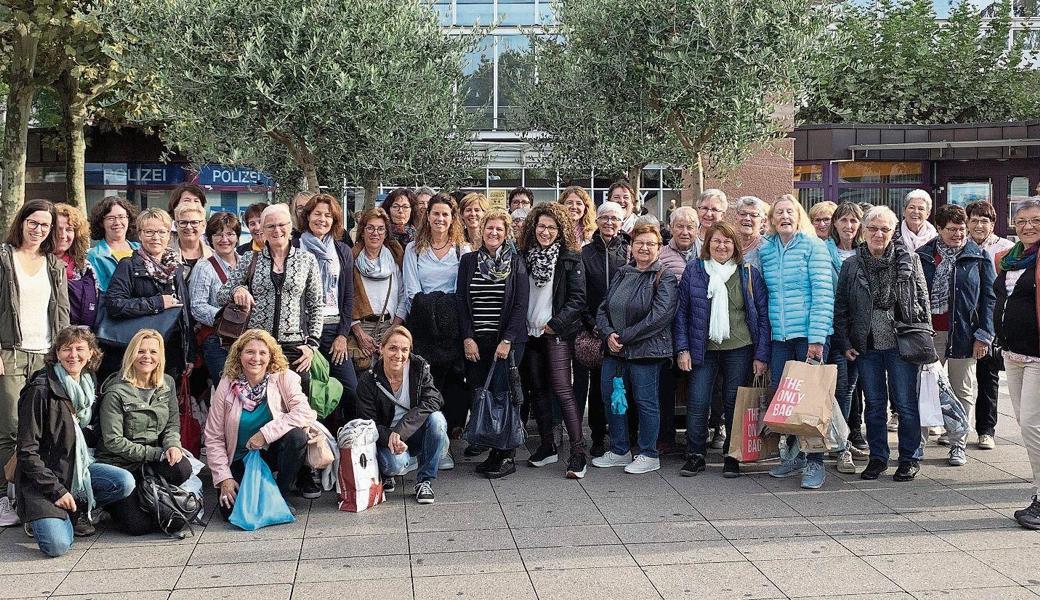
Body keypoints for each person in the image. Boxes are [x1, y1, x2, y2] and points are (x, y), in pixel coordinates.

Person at [16, 327, 135, 554]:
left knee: (124, 482)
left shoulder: (88, 385)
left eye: (80, 349)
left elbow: (83, 434)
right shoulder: (41, 389)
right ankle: (43, 516)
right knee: (56, 546)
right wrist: (57, 491)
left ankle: (77, 506)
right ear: (57, 354)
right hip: (44, 479)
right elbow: (26, 451)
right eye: (66, 349)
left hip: (77, 470)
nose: (73, 355)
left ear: (91, 353)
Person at [833, 206, 929, 482]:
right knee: (874, 404)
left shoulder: (909, 259)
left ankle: (909, 458)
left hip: (903, 344)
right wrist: (845, 341)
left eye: (884, 229)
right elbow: (841, 306)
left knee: (906, 403)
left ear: (893, 232)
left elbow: (922, 301)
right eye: (873, 228)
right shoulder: (851, 264)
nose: (878, 234)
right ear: (863, 231)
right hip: (868, 346)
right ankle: (878, 458)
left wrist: (925, 339)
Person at [674, 222, 769, 478]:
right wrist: (682, 348)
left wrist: (761, 355)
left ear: (735, 246)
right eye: (716, 240)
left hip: (740, 348)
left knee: (733, 402)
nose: (722, 245)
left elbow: (762, 316)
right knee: (698, 401)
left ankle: (731, 455)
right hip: (702, 348)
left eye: (727, 241)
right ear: (707, 244)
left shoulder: (748, 273)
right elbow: (681, 313)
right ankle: (695, 454)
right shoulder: (695, 270)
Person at [218, 203, 324, 425]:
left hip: (294, 346)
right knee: (259, 409)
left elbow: (316, 305)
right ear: (262, 231)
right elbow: (222, 294)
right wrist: (238, 289)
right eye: (271, 226)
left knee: (295, 408)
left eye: (282, 224)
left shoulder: (307, 260)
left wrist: (312, 344)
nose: (277, 230)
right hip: (258, 347)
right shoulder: (249, 259)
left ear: (291, 226)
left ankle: (296, 454)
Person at [0, 199, 71, 524]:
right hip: (11, 352)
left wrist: (64, 355)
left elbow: (62, 314)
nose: (38, 229)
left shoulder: (54, 265)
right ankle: (5, 495)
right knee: (11, 429)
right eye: (34, 222)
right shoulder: (4, 258)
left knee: (39, 429)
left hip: (45, 355)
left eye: (45, 225)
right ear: (22, 222)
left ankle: (29, 493)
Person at [758, 194, 834, 489]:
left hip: (807, 336)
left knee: (811, 402)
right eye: (779, 213)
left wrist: (817, 339)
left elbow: (823, 294)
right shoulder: (768, 250)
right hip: (780, 337)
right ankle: (793, 456)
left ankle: (815, 463)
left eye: (790, 211)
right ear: (772, 220)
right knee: (784, 399)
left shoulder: (813, 246)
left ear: (799, 215)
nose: (784, 217)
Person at [591, 222, 677, 474]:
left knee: (645, 402)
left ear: (659, 248)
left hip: (646, 353)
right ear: (631, 246)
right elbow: (603, 307)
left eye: (651, 243)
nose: (644, 248)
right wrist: (608, 333)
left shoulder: (665, 277)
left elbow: (659, 317)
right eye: (639, 243)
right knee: (613, 400)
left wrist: (624, 337)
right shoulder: (623, 272)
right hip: (615, 351)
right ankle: (619, 450)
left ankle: (649, 453)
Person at [205, 329, 316, 519]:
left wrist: (265, 434)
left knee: (297, 436)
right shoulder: (226, 384)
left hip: (271, 453)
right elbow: (213, 436)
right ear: (239, 355)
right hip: (239, 458)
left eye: (262, 353)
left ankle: (280, 495)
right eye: (250, 352)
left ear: (271, 356)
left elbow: (305, 412)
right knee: (230, 512)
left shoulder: (284, 377)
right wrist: (224, 477)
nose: (256, 358)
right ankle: (262, 492)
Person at [916, 204, 995, 466]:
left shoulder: (979, 257)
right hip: (929, 334)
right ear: (938, 229)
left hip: (963, 333)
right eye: (951, 229)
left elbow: (989, 300)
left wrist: (984, 335)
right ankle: (918, 444)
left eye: (962, 229)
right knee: (925, 389)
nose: (958, 234)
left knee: (962, 390)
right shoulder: (922, 256)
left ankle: (957, 443)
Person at [96, 329, 191, 535]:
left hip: (149, 462)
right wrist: (157, 454)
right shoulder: (116, 391)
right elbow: (113, 442)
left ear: (160, 356)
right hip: (120, 462)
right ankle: (111, 503)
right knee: (137, 527)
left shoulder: (167, 383)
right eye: (141, 351)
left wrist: (172, 445)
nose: (147, 356)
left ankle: (147, 491)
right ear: (131, 354)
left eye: (153, 352)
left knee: (182, 468)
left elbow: (171, 425)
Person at [518, 203, 588, 478]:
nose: (545, 232)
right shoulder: (524, 256)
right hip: (529, 332)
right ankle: (547, 446)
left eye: (551, 227)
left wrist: (554, 324)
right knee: (538, 391)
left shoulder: (570, 258)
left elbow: (578, 300)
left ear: (560, 231)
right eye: (541, 226)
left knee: (563, 390)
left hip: (555, 332)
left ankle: (578, 453)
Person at [398, 193, 469, 467]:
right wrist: (436, 308)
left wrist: (444, 310)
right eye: (435, 213)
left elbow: (461, 292)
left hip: (452, 331)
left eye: (445, 215)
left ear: (453, 219)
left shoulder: (462, 250)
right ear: (427, 216)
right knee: (426, 386)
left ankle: (445, 446)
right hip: (424, 328)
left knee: (452, 388)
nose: (440, 219)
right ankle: (423, 443)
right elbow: (413, 292)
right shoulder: (414, 249)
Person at [457, 209, 529, 478]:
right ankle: (492, 451)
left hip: (507, 344)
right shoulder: (468, 261)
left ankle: (506, 455)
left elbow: (521, 304)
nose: (494, 233)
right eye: (490, 228)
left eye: (499, 229)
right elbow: (462, 302)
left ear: (506, 232)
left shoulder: (517, 262)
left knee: (503, 396)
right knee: (482, 395)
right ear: (482, 230)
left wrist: (507, 340)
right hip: (477, 342)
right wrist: (467, 337)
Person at [355, 326, 448, 503]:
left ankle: (424, 481)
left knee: (437, 419)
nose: (399, 355)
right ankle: (387, 472)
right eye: (392, 348)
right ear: (381, 349)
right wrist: (391, 437)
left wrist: (401, 430)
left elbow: (434, 399)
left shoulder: (419, 367)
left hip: (413, 432)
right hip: (386, 438)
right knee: (394, 465)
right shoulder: (368, 380)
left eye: (405, 349)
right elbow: (367, 423)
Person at [993, 198, 1040, 529]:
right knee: (1027, 425)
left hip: (1038, 354)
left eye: (1035, 220)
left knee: (1030, 425)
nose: (1028, 226)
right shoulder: (1011, 258)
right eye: (1021, 221)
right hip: (1013, 353)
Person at [106, 208, 194, 378]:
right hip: (140, 351)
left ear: (169, 235)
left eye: (162, 232)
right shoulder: (128, 265)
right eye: (149, 232)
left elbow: (185, 314)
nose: (156, 237)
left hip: (172, 351)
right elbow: (114, 305)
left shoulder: (176, 268)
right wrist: (157, 303)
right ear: (139, 234)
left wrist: (189, 354)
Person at [575, 201, 630, 457]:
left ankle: (628, 434)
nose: (609, 223)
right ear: (596, 221)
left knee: (626, 384)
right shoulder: (585, 254)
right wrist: (593, 324)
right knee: (598, 387)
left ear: (622, 222)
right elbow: (580, 295)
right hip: (597, 331)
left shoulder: (629, 251)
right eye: (604, 218)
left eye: (614, 219)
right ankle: (598, 435)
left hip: (626, 331)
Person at [296, 194, 358, 424]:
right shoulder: (295, 247)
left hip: (333, 328)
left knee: (350, 389)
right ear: (307, 216)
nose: (322, 219)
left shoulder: (342, 251)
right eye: (317, 214)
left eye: (328, 215)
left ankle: (346, 441)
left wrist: (343, 334)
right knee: (309, 391)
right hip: (303, 332)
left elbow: (348, 296)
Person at [965, 200, 1014, 450]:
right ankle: (953, 427)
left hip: (992, 322)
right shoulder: (961, 246)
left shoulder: (1007, 248)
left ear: (993, 223)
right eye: (974, 220)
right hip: (963, 323)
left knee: (988, 377)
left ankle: (986, 429)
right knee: (957, 379)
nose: (979, 225)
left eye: (984, 220)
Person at [826, 203, 868, 458]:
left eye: (854, 221)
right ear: (835, 224)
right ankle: (840, 443)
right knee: (839, 387)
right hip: (834, 331)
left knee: (851, 387)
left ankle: (843, 437)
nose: (848, 226)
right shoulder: (823, 251)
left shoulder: (866, 254)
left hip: (860, 333)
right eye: (843, 220)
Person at [349, 208, 405, 371]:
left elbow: (403, 296)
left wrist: (393, 329)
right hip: (362, 329)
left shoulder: (394, 260)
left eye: (381, 229)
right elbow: (345, 298)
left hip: (389, 325)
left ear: (386, 233)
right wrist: (358, 332)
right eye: (370, 228)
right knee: (362, 382)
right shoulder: (351, 260)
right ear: (362, 231)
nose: (375, 233)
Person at [189, 211, 241, 385]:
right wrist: (228, 319)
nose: (224, 239)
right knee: (227, 389)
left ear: (237, 237)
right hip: (217, 340)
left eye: (230, 234)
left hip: (245, 340)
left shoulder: (247, 263)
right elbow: (197, 306)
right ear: (210, 238)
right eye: (218, 234)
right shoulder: (204, 267)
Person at [53, 203, 99, 328]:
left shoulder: (84, 266)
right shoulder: (37, 263)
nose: (62, 235)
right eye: (57, 229)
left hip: (77, 338)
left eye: (69, 229)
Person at [86, 196, 139, 292]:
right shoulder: (94, 256)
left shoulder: (141, 249)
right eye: (111, 218)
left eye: (121, 217)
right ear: (101, 223)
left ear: (129, 219)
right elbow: (102, 292)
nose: (117, 222)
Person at [171, 202, 212, 279]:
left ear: (204, 225)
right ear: (176, 225)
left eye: (194, 222)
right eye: (183, 222)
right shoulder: (164, 256)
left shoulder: (214, 257)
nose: (189, 227)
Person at [658, 207, 700, 279]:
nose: (685, 233)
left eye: (690, 227)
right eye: (680, 227)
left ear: (697, 230)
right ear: (671, 229)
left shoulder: (706, 254)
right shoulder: (660, 255)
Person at [735, 197, 769, 278]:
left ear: (763, 221)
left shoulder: (767, 248)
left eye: (753, 215)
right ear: (736, 217)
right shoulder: (730, 245)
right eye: (743, 214)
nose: (747, 218)